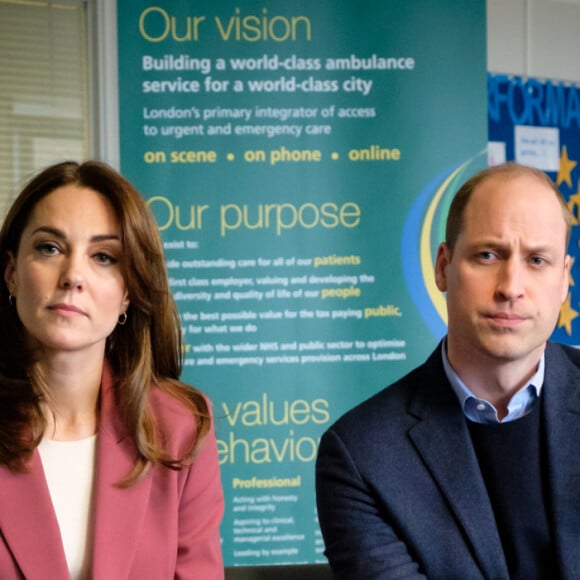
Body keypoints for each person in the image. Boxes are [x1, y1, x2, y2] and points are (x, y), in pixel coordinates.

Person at [316, 162, 580, 579]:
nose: (511, 286)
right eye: (488, 255)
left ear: (564, 279)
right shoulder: (362, 456)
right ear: (443, 266)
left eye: (537, 260)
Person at [0, 161, 224, 579]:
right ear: (11, 273)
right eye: (50, 248)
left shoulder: (180, 427)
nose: (73, 276)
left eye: (103, 257)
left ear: (127, 295)